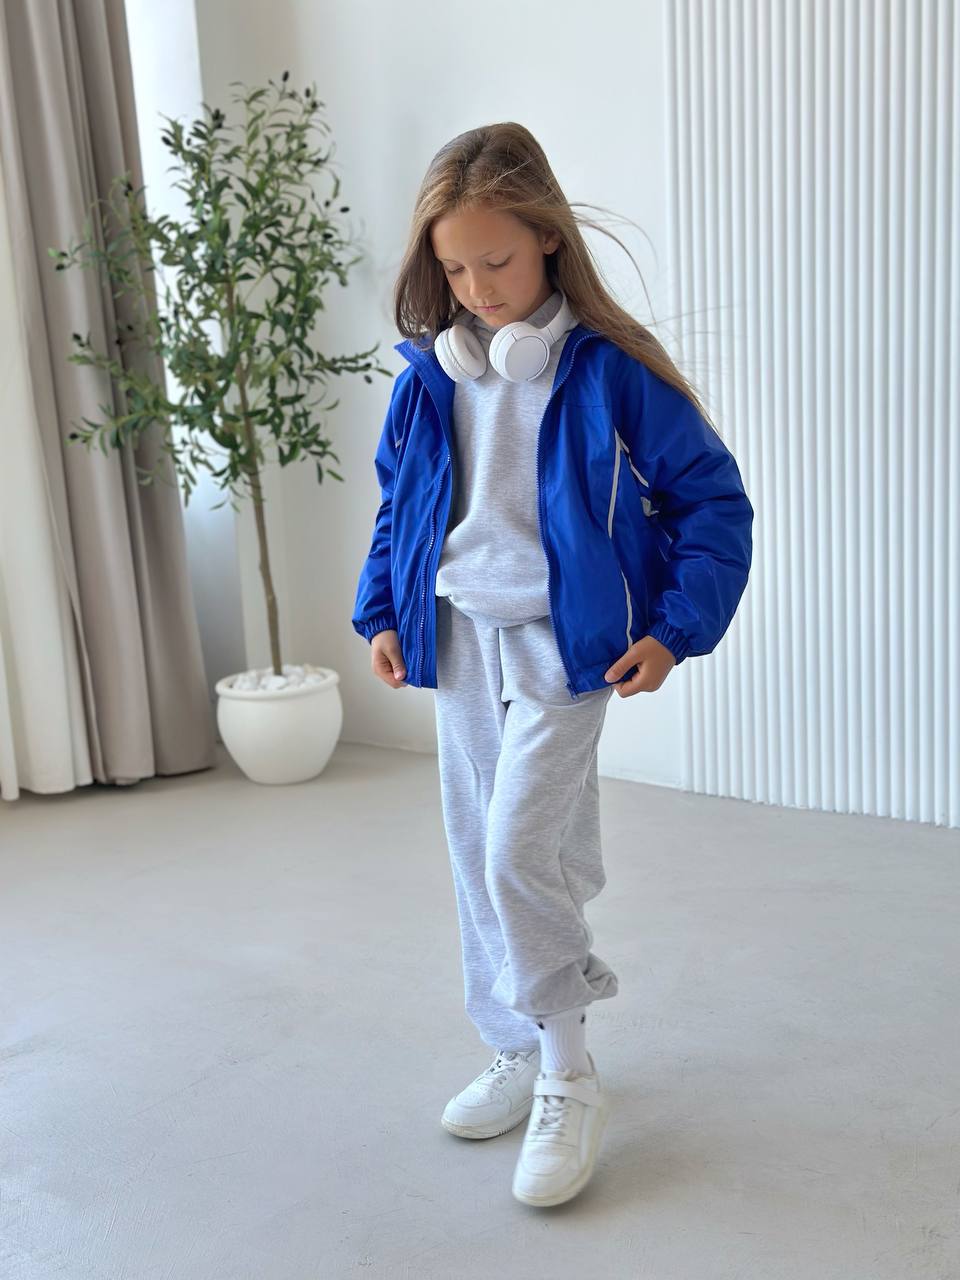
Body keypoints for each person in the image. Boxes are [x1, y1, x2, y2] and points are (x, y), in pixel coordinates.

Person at [352, 122, 754, 1208]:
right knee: (479, 848)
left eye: (496, 261)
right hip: (458, 634)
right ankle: (517, 1042)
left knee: (518, 850)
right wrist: (382, 608)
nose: (477, 290)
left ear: (547, 240)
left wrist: (674, 627)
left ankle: (569, 1073)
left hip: (566, 642)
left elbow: (713, 504)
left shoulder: (609, 372)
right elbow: (399, 506)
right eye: (453, 269)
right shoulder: (433, 376)